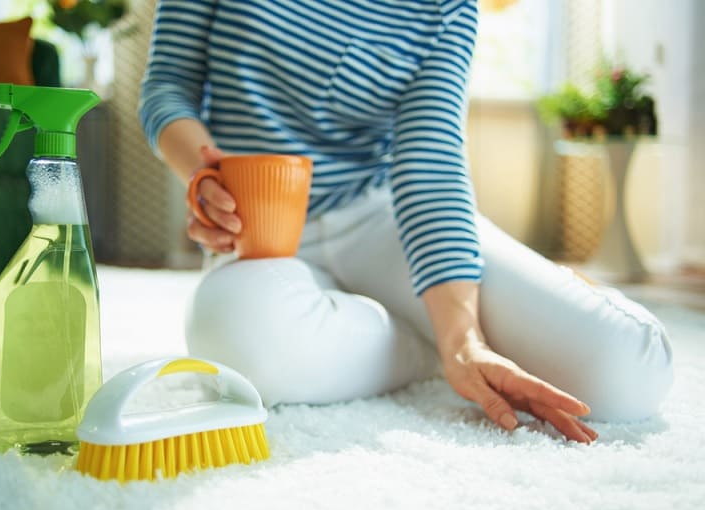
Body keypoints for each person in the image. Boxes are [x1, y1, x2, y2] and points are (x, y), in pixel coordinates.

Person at [139, 0, 673, 444]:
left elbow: (429, 161)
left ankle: (454, 334)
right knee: (237, 343)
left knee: (629, 373)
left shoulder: (444, 8)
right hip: (255, 224)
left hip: (382, 217)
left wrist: (464, 336)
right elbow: (167, 84)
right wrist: (203, 176)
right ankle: (425, 343)